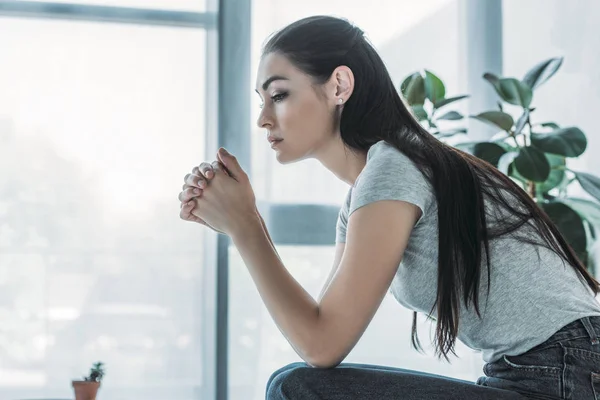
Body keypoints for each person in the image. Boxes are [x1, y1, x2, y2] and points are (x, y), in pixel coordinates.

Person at [177, 15, 600, 400]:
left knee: (297, 389)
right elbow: (317, 331)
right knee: (290, 384)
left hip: (566, 372)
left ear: (339, 86)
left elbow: (322, 345)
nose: (264, 120)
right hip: (537, 373)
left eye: (279, 95)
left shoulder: (395, 169)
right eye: (262, 101)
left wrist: (246, 226)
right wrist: (243, 222)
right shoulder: (373, 186)